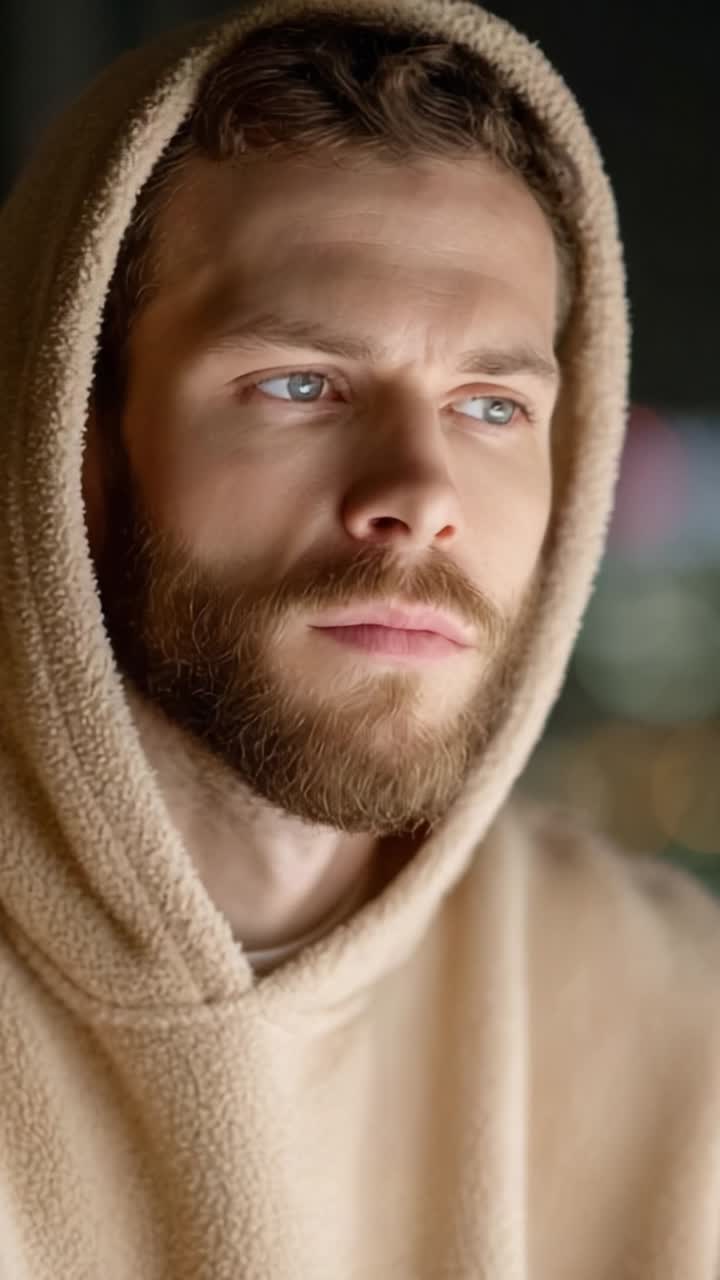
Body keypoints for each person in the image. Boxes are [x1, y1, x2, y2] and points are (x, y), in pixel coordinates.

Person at [1, 1, 719, 1276]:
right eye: (300, 384)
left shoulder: (682, 1019)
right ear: (77, 437)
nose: (421, 489)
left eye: (490, 404)